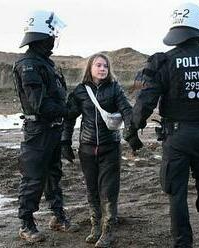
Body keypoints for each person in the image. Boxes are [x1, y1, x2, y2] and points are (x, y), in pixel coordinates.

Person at [124, 3, 199, 248]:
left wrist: (132, 129)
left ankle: (183, 244)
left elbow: (145, 102)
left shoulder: (163, 61)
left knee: (176, 195)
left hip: (175, 137)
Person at [61, 53, 142, 247]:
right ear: (90, 68)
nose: (102, 69)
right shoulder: (80, 91)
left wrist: (131, 134)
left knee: (108, 190)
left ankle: (108, 230)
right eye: (98, 65)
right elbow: (69, 117)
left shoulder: (115, 88)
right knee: (92, 190)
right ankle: (95, 226)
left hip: (110, 148)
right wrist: (64, 141)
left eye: (105, 66)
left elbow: (126, 110)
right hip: (87, 148)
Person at [13, 10, 78, 243]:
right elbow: (38, 104)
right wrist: (67, 111)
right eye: (52, 35)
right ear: (43, 36)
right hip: (38, 131)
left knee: (53, 174)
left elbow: (57, 96)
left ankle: (57, 216)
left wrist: (66, 110)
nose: (54, 39)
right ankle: (26, 223)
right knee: (33, 177)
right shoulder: (29, 64)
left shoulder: (45, 63)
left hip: (52, 129)